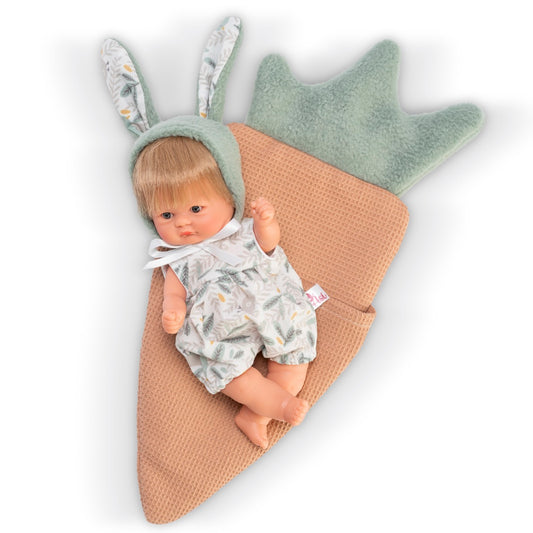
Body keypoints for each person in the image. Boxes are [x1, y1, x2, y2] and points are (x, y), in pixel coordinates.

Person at [134, 135, 317, 449]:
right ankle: (278, 405)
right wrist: (173, 311)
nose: (182, 223)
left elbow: (268, 244)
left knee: (294, 349)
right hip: (218, 326)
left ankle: (256, 416)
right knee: (229, 370)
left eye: (195, 208)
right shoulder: (178, 259)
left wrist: (266, 222)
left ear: (229, 197)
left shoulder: (243, 231)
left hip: (269, 305)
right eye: (166, 215)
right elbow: (174, 294)